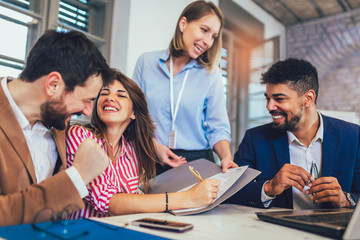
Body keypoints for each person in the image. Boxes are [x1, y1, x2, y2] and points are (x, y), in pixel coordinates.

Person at [66, 69, 220, 218]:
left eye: (121, 95)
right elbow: (109, 203)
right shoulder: (80, 135)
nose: (110, 98)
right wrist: (187, 198)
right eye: (104, 93)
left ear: (133, 113)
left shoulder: (132, 150)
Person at [0, 30, 112, 226]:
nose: (87, 112)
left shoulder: (56, 120)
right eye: (86, 100)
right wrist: (78, 176)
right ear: (53, 85)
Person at [226, 58, 360, 209]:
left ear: (308, 99)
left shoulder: (353, 136)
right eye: (268, 98)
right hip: (275, 231)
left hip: (337, 231)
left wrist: (347, 200)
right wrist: (268, 188)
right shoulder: (255, 139)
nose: (269, 107)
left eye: (279, 99)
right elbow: (232, 192)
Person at [133, 0, 237, 175]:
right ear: (183, 24)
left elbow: (217, 127)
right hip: (151, 155)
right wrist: (154, 146)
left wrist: (226, 157)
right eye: (204, 30)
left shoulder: (211, 74)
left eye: (213, 36)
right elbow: (133, 113)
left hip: (198, 161)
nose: (207, 41)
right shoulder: (146, 62)